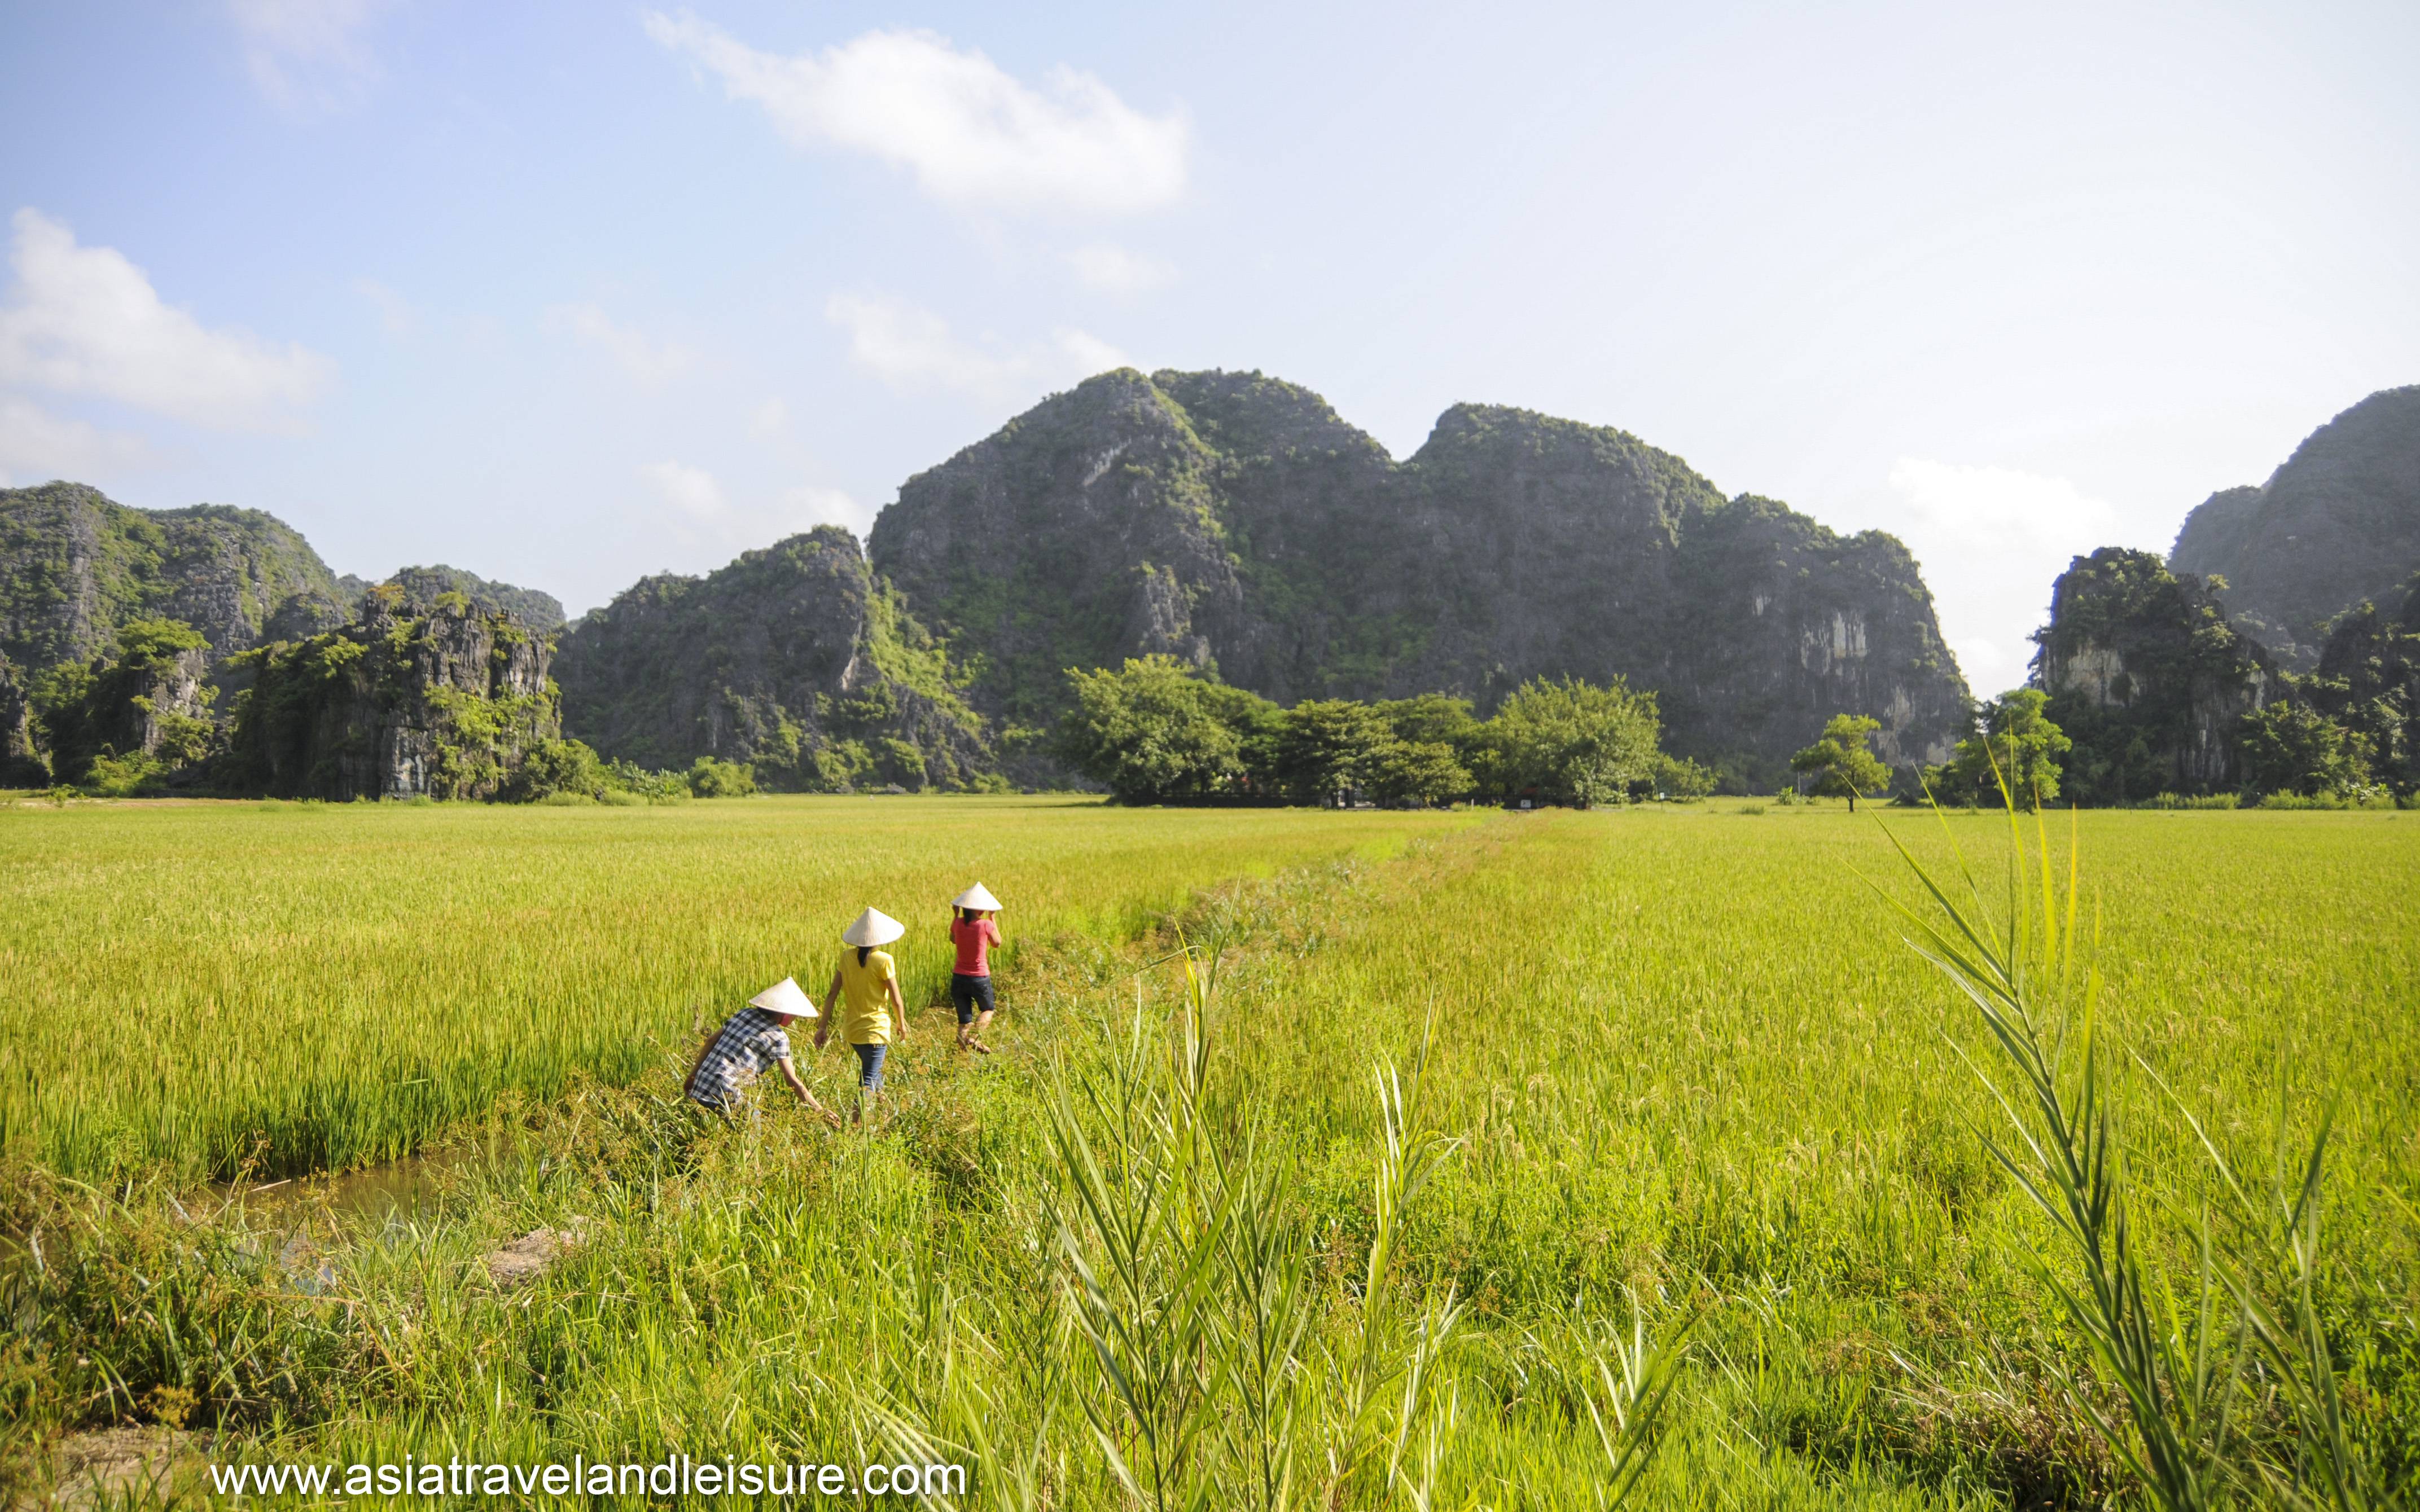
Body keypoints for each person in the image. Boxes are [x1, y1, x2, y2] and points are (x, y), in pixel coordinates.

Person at [685, 977, 835, 1124]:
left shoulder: (744, 1013)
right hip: (728, 1091)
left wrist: (692, 1077)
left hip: (701, 1084)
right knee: (752, 1132)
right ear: (786, 1015)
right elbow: (792, 1080)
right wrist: (819, 1110)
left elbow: (711, 1041)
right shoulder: (779, 1038)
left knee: (719, 1132)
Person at [819, 907, 909, 1124]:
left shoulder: (846, 957)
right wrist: (901, 1024)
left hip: (853, 1031)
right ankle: (854, 1128)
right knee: (868, 1079)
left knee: (874, 1073)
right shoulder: (884, 960)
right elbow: (896, 999)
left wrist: (822, 1027)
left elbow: (832, 994)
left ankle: (888, 1117)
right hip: (876, 1030)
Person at [947, 883, 1003, 1054]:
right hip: (979, 978)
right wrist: (993, 918)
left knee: (964, 1021)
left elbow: (953, 939)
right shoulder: (985, 924)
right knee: (988, 1010)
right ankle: (975, 1037)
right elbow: (997, 943)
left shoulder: (958, 923)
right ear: (980, 910)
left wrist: (955, 915)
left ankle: (965, 1054)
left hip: (958, 978)